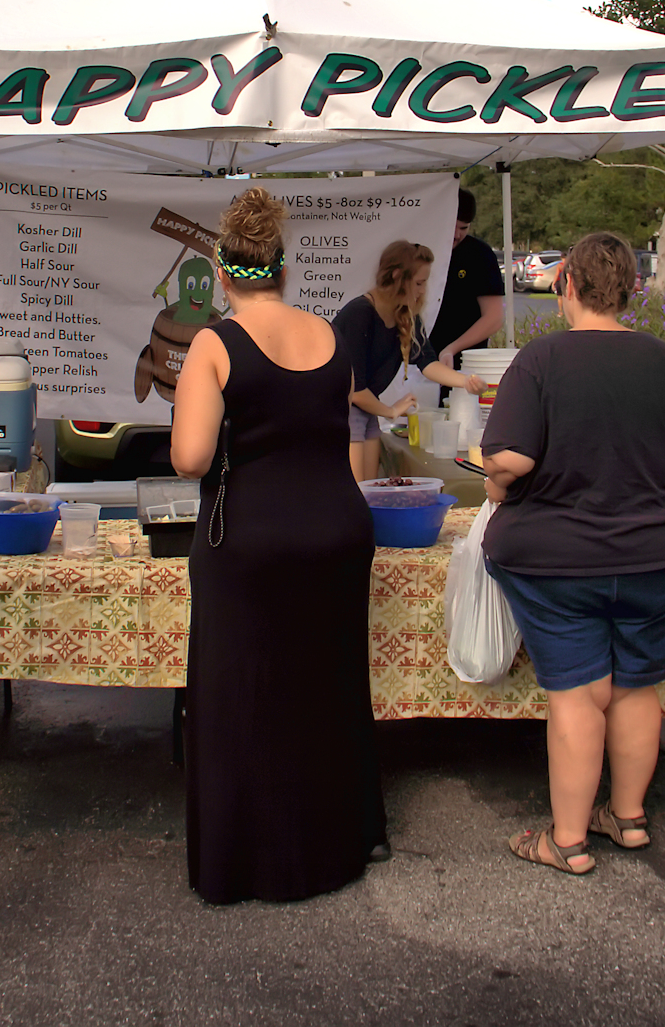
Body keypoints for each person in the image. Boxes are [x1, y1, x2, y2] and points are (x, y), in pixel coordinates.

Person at [480, 233, 665, 875]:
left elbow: (513, 457)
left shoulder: (539, 360)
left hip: (558, 561)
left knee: (577, 694)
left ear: (565, 285)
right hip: (661, 554)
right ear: (631, 290)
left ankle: (566, 841)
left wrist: (495, 481)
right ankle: (629, 818)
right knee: (639, 686)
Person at [171, 187, 388, 904]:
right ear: (284, 269)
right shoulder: (330, 336)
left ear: (223, 272)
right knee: (321, 690)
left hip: (252, 544)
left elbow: (191, 457)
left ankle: (247, 862)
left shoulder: (214, 341)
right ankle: (334, 844)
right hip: (336, 534)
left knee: (242, 699)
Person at [333, 240, 487, 483]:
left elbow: (428, 362)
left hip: (365, 411)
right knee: (356, 493)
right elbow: (356, 389)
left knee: (369, 492)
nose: (423, 290)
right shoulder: (359, 314)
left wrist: (465, 381)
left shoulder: (405, 315)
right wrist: (391, 411)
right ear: (396, 277)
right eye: (419, 283)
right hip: (340, 412)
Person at [430, 188, 505, 374]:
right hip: (420, 364)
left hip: (466, 364)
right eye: (451, 226)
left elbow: (494, 318)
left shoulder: (480, 254)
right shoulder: (420, 250)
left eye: (463, 228)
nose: (456, 235)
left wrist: (452, 349)